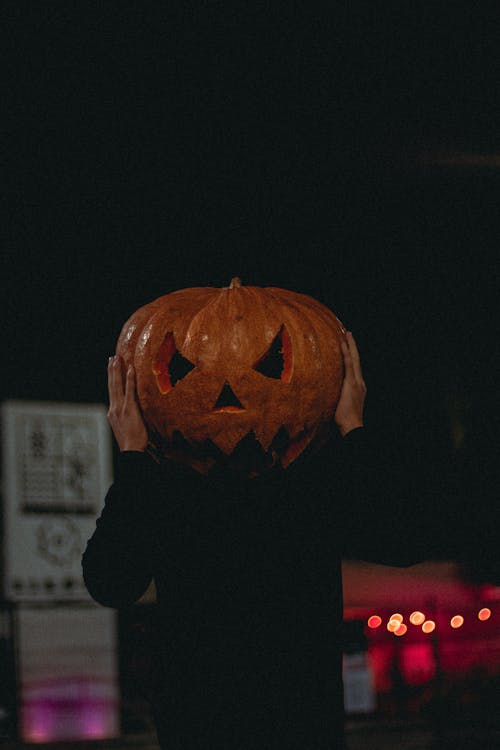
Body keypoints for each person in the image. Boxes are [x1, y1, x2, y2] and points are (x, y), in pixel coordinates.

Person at [82, 332, 419, 749]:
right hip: (300, 728)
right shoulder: (310, 497)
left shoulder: (171, 498)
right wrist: (353, 428)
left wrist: (133, 453)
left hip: (204, 728)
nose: (230, 397)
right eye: (187, 369)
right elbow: (402, 540)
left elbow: (110, 581)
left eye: (267, 367)